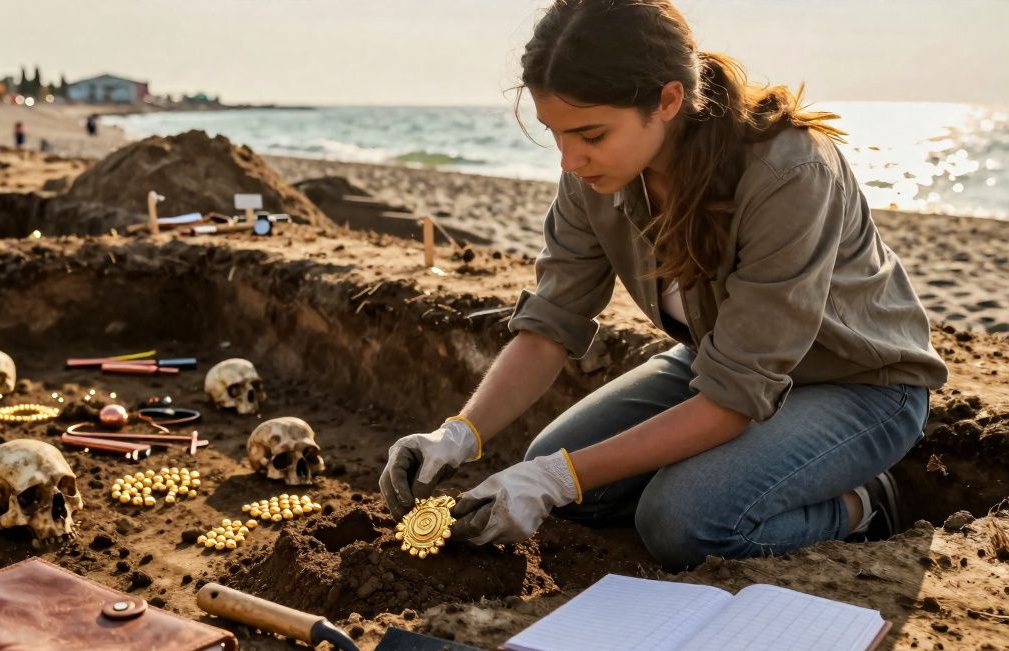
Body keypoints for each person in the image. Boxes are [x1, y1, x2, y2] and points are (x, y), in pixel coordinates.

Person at [379, 0, 947, 572]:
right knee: (561, 469)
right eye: (555, 134)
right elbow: (551, 324)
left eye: (591, 134)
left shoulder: (789, 172)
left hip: (857, 384)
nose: (571, 160)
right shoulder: (593, 175)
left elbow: (733, 398)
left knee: (681, 524)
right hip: (717, 364)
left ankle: (863, 504)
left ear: (669, 100)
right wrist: (457, 435)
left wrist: (555, 480)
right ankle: (734, 475)